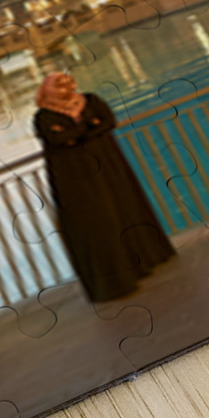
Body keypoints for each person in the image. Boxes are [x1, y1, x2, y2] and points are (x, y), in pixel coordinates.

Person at [33, 73, 175, 304]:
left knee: (124, 206)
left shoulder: (90, 100)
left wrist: (77, 135)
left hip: (109, 167)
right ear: (45, 90)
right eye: (58, 85)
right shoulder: (44, 116)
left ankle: (144, 260)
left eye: (67, 82)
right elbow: (59, 139)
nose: (65, 88)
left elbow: (107, 121)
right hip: (75, 179)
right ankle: (114, 279)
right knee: (96, 221)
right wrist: (90, 126)